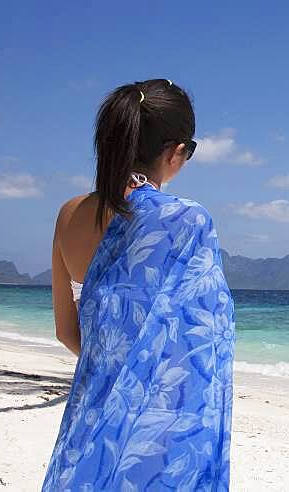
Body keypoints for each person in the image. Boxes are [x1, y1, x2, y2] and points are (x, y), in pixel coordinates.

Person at [42, 79, 234, 491]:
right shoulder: (187, 220)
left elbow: (66, 330)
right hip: (158, 429)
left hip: (90, 413)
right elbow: (203, 346)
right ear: (176, 152)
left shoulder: (68, 215)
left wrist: (117, 370)